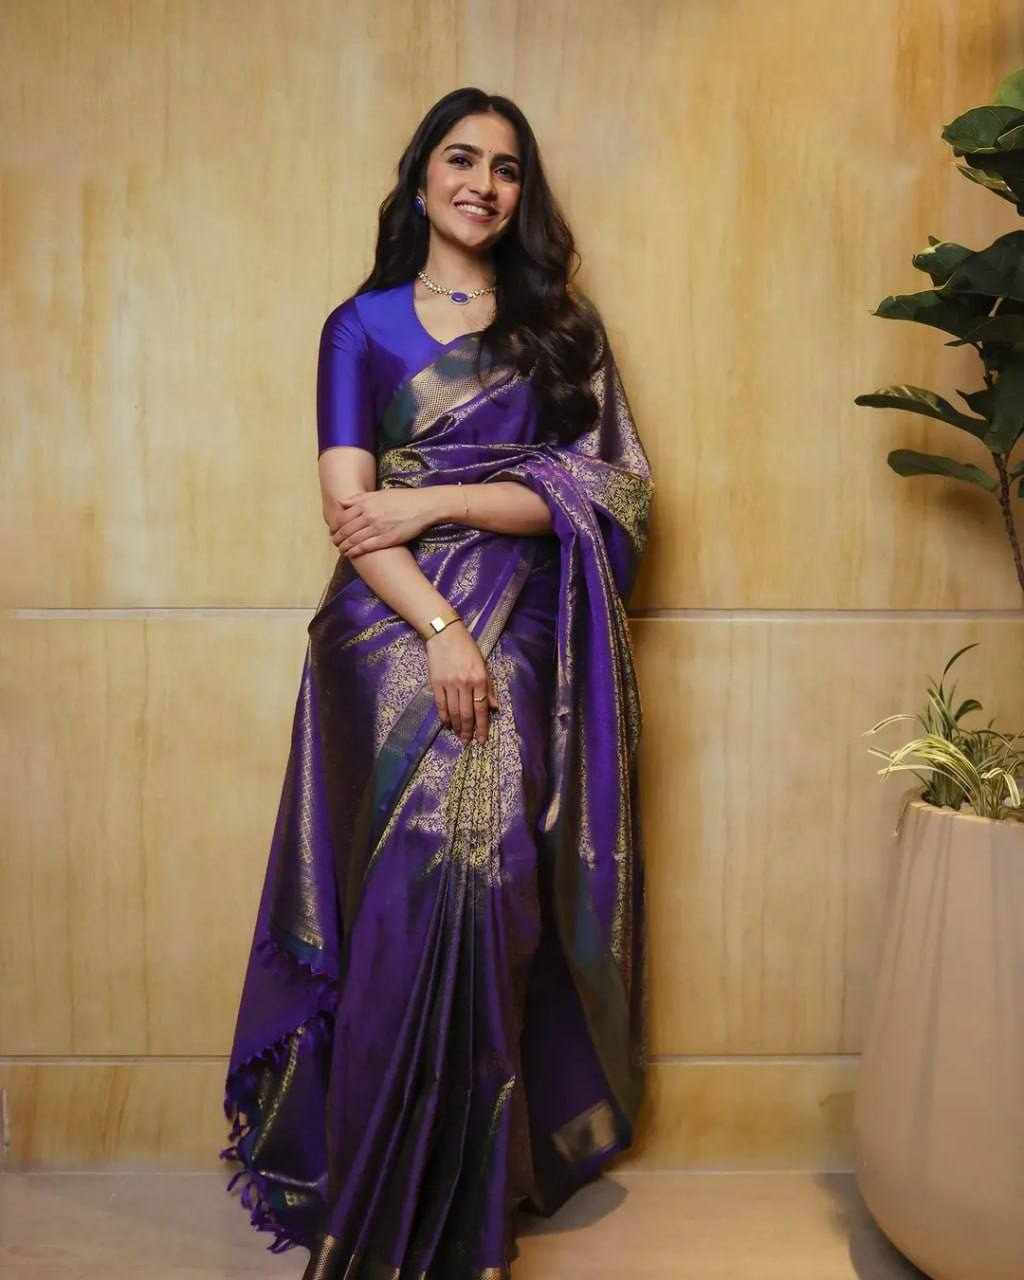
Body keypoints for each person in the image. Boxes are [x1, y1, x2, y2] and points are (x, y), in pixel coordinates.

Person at [219, 85, 655, 1280]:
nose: (482, 184)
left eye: (506, 168)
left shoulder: (560, 330)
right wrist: (443, 627)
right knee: (403, 894)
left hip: (525, 621)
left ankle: (470, 1210)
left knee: (490, 876)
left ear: (523, 193)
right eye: (461, 160)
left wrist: (442, 498)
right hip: (386, 630)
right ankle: (375, 1189)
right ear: (420, 177)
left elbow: (609, 495)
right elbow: (351, 510)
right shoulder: (357, 327)